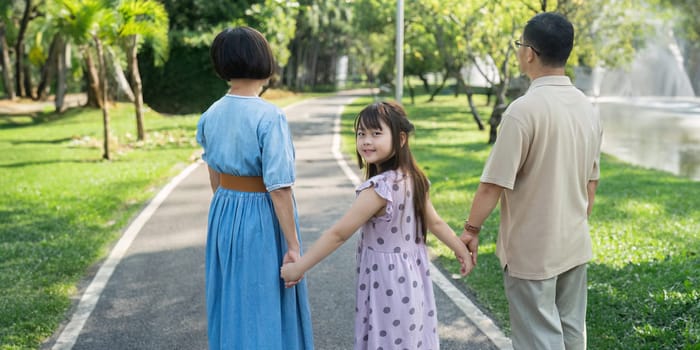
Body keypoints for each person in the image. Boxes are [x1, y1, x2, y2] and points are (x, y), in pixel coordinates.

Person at [460, 12, 602, 350]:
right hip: (574, 243)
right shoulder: (587, 108)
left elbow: (492, 185)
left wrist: (471, 230)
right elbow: (591, 183)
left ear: (529, 53)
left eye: (520, 44)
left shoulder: (523, 111)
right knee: (571, 333)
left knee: (539, 339)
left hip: (532, 251)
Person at [281, 101, 473, 349]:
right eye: (361, 134)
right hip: (413, 278)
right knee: (409, 338)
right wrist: (460, 249)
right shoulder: (414, 178)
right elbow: (434, 222)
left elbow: (339, 234)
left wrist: (300, 268)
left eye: (376, 133)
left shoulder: (379, 189)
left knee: (386, 338)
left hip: (387, 280)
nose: (366, 141)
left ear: (401, 139)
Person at [196, 26, 313, 350]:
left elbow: (215, 177)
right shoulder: (270, 117)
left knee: (230, 295)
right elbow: (278, 188)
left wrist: (227, 213)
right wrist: (292, 245)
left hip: (224, 211)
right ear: (264, 61)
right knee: (263, 299)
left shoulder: (210, 115)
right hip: (260, 214)